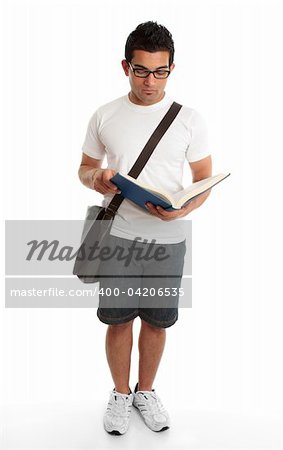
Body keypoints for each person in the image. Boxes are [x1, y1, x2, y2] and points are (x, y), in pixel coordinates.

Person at [78, 21, 212, 435]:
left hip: (168, 240)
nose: (150, 81)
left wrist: (184, 209)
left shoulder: (190, 119)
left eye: (160, 72)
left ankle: (146, 391)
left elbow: (204, 180)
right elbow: (84, 170)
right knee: (118, 320)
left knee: (156, 321)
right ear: (125, 67)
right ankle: (120, 394)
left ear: (172, 68)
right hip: (117, 236)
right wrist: (97, 178)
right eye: (141, 71)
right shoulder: (105, 115)